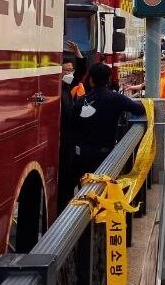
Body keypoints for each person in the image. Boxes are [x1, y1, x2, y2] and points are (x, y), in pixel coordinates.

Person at [73, 63, 145, 176]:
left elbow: (73, 124)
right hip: (106, 153)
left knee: (86, 185)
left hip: (82, 154)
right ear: (108, 79)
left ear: (91, 80)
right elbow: (140, 110)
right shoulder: (116, 98)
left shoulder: (81, 101)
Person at [59, 40, 89, 202]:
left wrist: (77, 52)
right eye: (67, 70)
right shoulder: (57, 87)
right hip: (62, 140)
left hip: (69, 139)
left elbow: (82, 71)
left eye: (72, 70)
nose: (70, 73)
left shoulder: (66, 87)